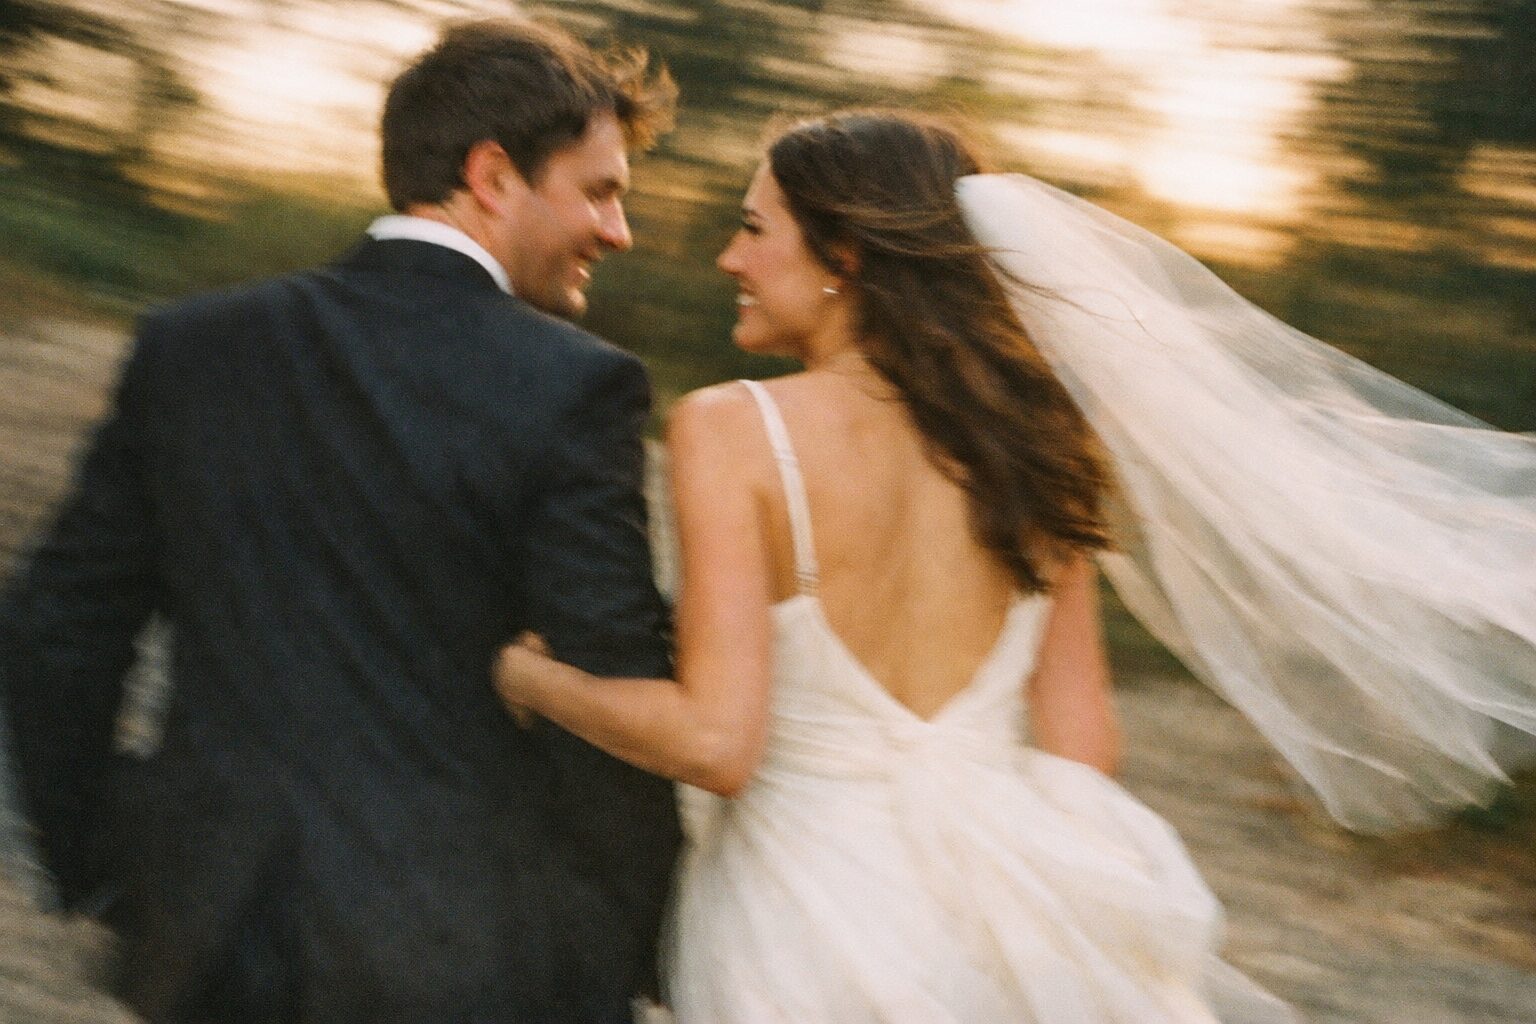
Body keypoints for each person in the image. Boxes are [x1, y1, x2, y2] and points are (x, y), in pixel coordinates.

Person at [496, 109, 1536, 1021]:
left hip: (804, 906)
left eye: (755, 227)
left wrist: (533, 677)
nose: (730, 257)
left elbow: (718, 742)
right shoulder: (1037, 441)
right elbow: (1083, 742)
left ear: (844, 254)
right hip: (1007, 913)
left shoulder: (733, 427)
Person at [0, 18, 680, 1023]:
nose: (618, 231)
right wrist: (613, 939)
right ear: (492, 175)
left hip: (211, 941)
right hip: (472, 959)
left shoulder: (192, 348)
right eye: (603, 190)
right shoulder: (578, 389)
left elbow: (58, 628)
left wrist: (115, 860)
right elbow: (613, 682)